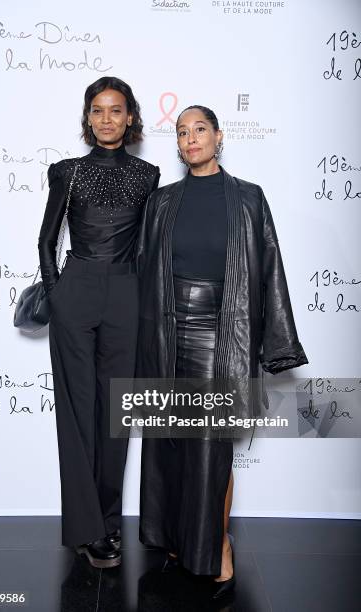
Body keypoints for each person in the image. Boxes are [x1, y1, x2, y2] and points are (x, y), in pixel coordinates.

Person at [136, 105, 308, 598]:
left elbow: (270, 267)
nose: (191, 139)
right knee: (167, 444)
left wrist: (278, 344)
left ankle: (217, 545)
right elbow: (147, 271)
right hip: (168, 331)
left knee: (213, 448)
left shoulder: (249, 198)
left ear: (219, 136)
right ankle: (174, 539)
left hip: (224, 330)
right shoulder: (162, 201)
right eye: (183, 132)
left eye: (200, 130)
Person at [38, 76, 159, 568]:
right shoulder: (66, 171)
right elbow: (47, 240)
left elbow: (150, 247)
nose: (106, 118)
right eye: (97, 110)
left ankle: (108, 524)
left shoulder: (149, 175)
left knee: (117, 414)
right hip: (78, 289)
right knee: (78, 412)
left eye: (116, 110)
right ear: (87, 118)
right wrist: (58, 296)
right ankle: (87, 529)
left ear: (130, 117)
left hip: (128, 294)